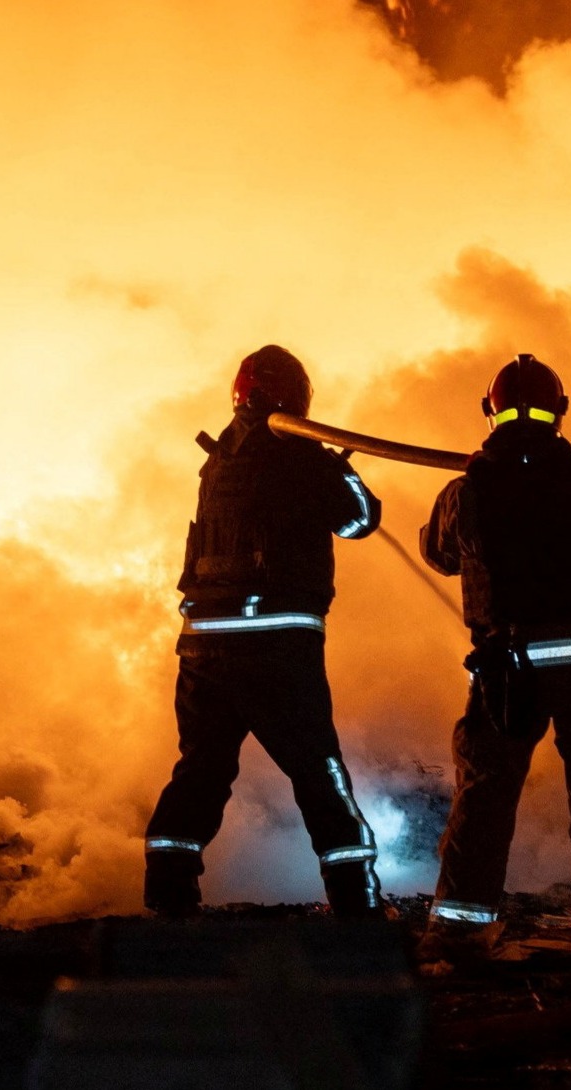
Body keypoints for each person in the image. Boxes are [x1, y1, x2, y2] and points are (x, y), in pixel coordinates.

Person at [417, 353, 571, 965]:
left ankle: (461, 930)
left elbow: (438, 554)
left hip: (510, 668)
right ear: (561, 410)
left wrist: (469, 500)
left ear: (488, 409)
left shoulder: (469, 488)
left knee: (487, 794)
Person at [142, 344, 388, 919]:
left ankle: (168, 893)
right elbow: (360, 520)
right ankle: (357, 905)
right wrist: (335, 462)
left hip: (203, 646)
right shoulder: (300, 457)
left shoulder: (218, 459)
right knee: (318, 770)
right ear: (299, 397)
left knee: (201, 768)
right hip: (274, 646)